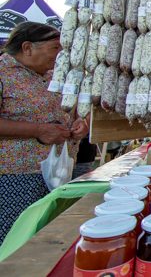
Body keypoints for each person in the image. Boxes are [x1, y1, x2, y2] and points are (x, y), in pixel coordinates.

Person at [0, 22, 88, 245]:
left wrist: (80, 124)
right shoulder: (3, 73)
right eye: (54, 48)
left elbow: (72, 111)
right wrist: (39, 131)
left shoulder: (53, 76)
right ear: (28, 47)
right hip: (16, 176)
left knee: (51, 238)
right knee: (19, 239)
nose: (59, 55)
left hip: (60, 171)